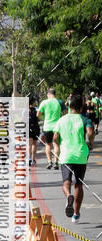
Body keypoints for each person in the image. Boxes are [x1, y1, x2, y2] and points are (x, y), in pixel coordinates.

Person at [54, 93, 95, 223]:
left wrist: (59, 145)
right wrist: (91, 143)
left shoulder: (62, 120)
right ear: (81, 107)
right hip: (81, 155)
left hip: (66, 155)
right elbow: (90, 132)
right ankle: (76, 214)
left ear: (70, 105)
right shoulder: (84, 119)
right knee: (78, 184)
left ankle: (68, 196)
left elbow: (55, 136)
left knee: (66, 182)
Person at [37, 87, 64, 169]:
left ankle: (49, 162)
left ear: (48, 94)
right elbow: (65, 113)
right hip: (57, 127)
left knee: (48, 144)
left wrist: (43, 118)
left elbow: (38, 114)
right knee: (56, 144)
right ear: (55, 94)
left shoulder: (44, 102)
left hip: (47, 126)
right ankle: (56, 162)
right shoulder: (60, 102)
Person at [28, 98, 40, 166]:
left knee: (29, 144)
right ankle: (33, 159)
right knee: (34, 144)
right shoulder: (36, 109)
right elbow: (39, 118)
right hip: (35, 127)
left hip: (29, 127)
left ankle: (29, 159)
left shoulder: (25, 110)